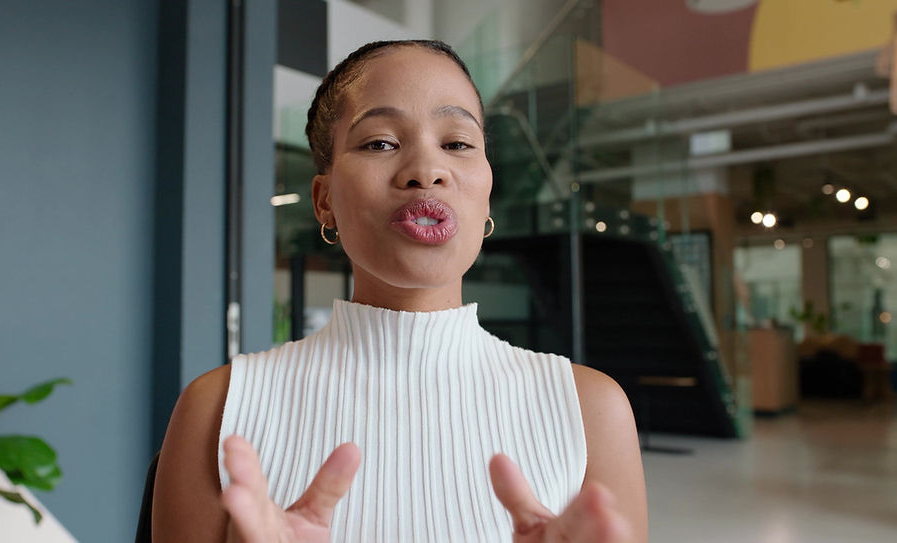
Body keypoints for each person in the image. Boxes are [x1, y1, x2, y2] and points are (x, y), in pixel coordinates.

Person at [152, 40, 647, 543]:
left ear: (487, 193)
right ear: (324, 201)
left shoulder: (591, 410)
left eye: (457, 143)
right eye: (380, 143)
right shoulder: (217, 410)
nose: (426, 171)